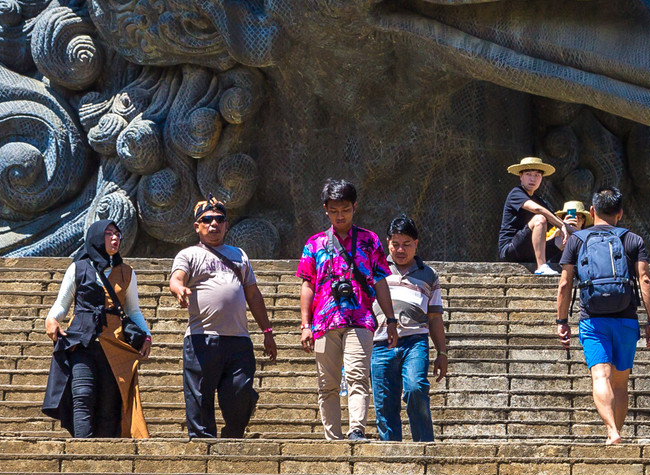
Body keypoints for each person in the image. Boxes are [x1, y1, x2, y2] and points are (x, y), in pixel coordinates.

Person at [296, 179, 400, 441]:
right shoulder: (315, 243)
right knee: (327, 384)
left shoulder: (369, 240)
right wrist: (305, 325)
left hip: (360, 318)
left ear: (355, 207)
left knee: (357, 375)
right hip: (323, 322)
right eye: (333, 210)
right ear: (325, 210)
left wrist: (390, 319)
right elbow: (307, 284)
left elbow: (380, 281)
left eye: (345, 209)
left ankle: (356, 430)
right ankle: (333, 437)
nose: (339, 215)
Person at [167, 197, 279, 439]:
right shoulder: (189, 255)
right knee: (199, 395)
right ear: (197, 226)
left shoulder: (239, 255)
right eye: (206, 220)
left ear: (226, 225)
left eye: (219, 219)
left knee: (240, 391)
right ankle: (202, 444)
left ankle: (234, 431)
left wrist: (267, 332)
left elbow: (253, 294)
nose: (213, 224)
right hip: (202, 337)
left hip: (238, 339)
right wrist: (179, 289)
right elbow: (176, 278)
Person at [553, 188, 650, 445]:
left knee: (601, 375)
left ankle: (612, 431)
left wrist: (562, 321)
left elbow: (565, 284)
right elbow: (644, 279)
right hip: (626, 318)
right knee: (620, 381)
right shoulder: (633, 240)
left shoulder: (577, 240)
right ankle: (616, 431)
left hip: (592, 318)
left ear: (591, 212)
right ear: (620, 213)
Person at [42, 218, 151, 437]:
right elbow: (62, 305)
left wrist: (146, 336)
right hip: (82, 341)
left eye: (118, 234)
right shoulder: (78, 268)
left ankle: (106, 457)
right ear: (95, 237)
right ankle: (83, 450)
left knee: (110, 402)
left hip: (115, 344)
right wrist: (51, 320)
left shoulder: (126, 272)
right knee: (82, 395)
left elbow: (133, 311)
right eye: (108, 233)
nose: (115, 238)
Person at [371, 215, 450, 443]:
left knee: (416, 388)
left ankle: (424, 446)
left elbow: (434, 317)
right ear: (387, 243)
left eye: (407, 244)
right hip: (380, 343)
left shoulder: (429, 275)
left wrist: (442, 353)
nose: (400, 249)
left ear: (416, 243)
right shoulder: (375, 269)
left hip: (415, 341)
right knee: (385, 403)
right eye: (395, 244)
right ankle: (391, 453)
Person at [497, 157, 565, 276]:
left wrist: (576, 233)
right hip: (510, 250)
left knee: (567, 238)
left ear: (541, 178)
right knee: (540, 218)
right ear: (521, 176)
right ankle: (541, 267)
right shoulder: (516, 193)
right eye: (528, 174)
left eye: (537, 175)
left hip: (530, 253)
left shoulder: (540, 201)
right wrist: (562, 225)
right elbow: (537, 209)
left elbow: (555, 218)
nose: (533, 179)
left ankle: (575, 269)